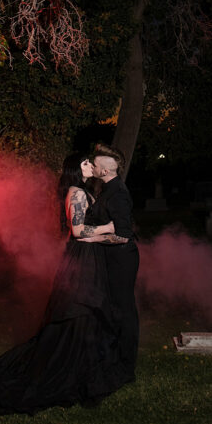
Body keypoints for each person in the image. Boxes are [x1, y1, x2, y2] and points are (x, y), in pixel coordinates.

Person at [0, 153, 129, 414]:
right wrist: (108, 227)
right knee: (78, 313)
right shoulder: (77, 192)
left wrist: (111, 235)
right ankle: (69, 373)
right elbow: (78, 232)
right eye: (86, 163)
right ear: (76, 169)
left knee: (87, 317)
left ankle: (83, 371)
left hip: (87, 257)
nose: (91, 165)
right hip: (81, 260)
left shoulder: (83, 191)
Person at [86, 144, 139, 385]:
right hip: (111, 258)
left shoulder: (118, 192)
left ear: (106, 170)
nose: (93, 167)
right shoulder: (107, 188)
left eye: (96, 165)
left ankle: (126, 366)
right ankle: (112, 357)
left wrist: (92, 238)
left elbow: (124, 234)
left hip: (121, 259)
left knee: (124, 310)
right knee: (113, 309)